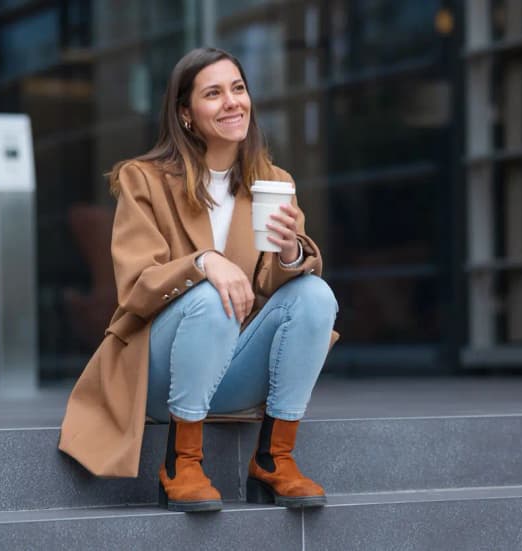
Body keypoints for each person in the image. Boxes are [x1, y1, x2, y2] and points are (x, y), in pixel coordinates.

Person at [58, 47, 339, 513]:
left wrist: (290, 250)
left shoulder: (272, 181)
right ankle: (182, 462)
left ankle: (275, 457)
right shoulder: (143, 180)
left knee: (314, 294)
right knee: (211, 296)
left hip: (233, 368)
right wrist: (204, 261)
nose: (232, 102)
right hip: (158, 373)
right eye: (214, 93)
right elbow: (136, 286)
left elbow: (277, 295)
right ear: (186, 114)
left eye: (238, 89)